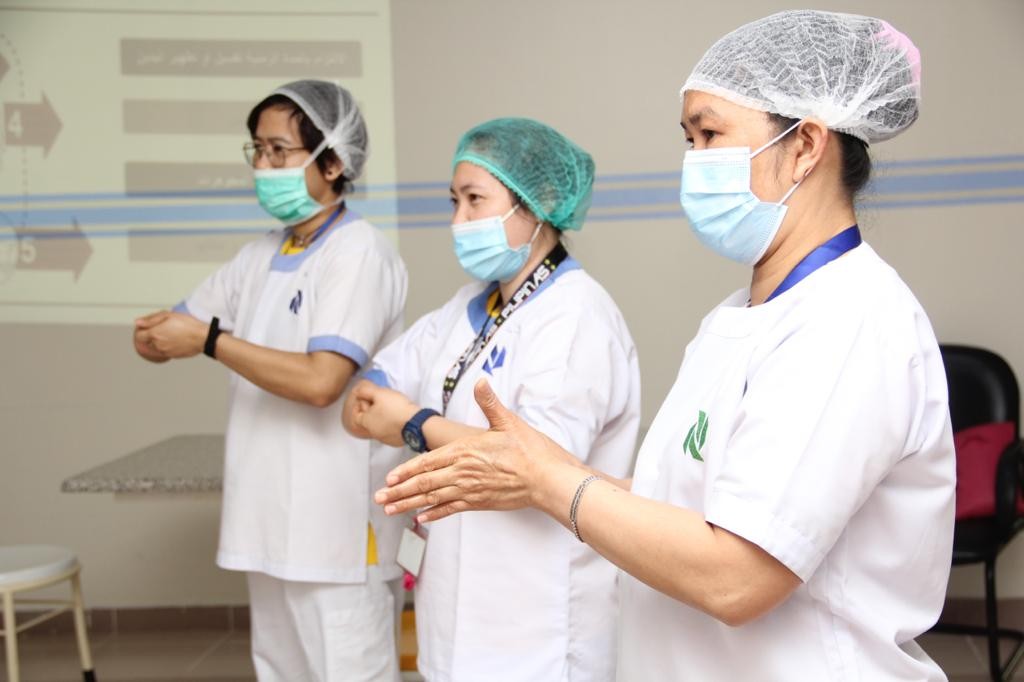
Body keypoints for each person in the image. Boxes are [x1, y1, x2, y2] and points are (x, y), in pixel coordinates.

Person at [374, 11, 956, 681]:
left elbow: (737, 578)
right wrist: (532, 467)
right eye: (688, 139)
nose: (693, 162)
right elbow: (680, 505)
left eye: (710, 135)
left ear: (804, 147)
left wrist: (547, 480)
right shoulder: (737, 318)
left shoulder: (848, 321)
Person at [342, 117, 640, 681]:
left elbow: (539, 463)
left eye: (475, 200)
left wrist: (412, 424)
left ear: (538, 203)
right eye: (454, 201)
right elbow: (364, 397)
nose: (458, 221)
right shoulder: (466, 307)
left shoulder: (575, 315)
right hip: (454, 607)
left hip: (538, 620)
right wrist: (391, 414)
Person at [132, 80, 408, 682]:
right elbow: (159, 338)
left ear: (333, 162)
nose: (263, 165)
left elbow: (321, 382)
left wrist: (208, 340)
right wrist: (160, 337)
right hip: (267, 522)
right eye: (257, 150)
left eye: (279, 151)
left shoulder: (358, 253)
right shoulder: (258, 256)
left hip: (335, 529)